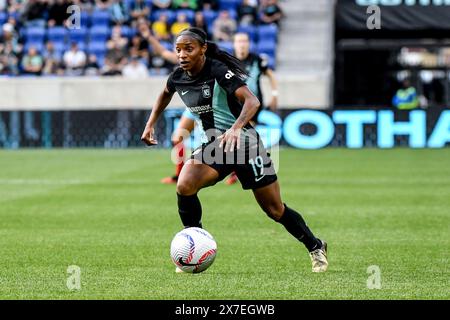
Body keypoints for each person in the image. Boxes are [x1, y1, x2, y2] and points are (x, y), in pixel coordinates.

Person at [141, 27, 328, 273]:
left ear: (203, 49)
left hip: (245, 145)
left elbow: (252, 101)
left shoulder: (218, 71)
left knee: (274, 210)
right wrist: (151, 123)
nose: (182, 54)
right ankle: (193, 244)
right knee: (185, 184)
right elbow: (165, 94)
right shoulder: (177, 77)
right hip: (215, 146)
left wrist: (236, 128)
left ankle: (316, 246)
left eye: (189, 49)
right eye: (178, 50)